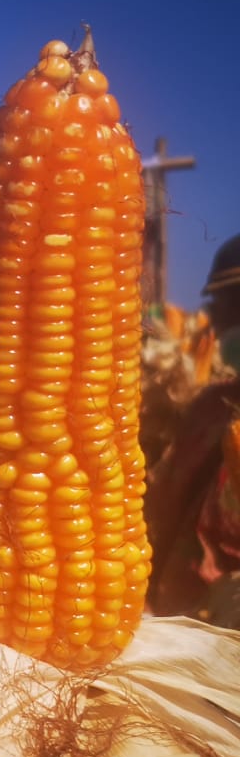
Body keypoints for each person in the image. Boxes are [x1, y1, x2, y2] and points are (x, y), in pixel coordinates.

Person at [145, 232, 240, 622]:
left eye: (225, 304)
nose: (213, 320)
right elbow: (164, 507)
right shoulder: (209, 405)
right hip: (175, 616)